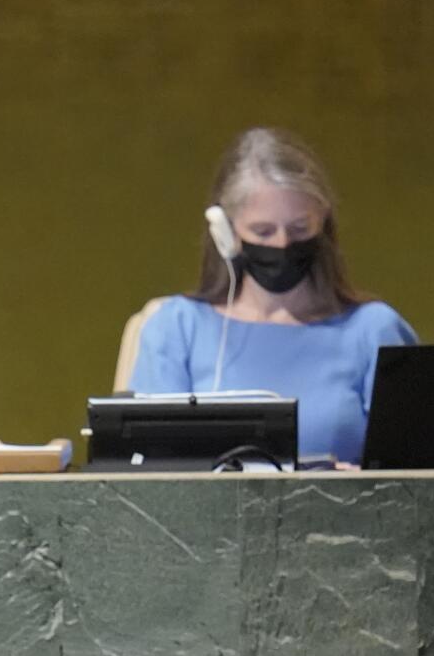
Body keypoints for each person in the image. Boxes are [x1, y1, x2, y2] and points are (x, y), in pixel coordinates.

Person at [128, 127, 417, 466]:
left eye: (299, 229)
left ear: (322, 223)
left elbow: (414, 474)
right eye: (263, 231)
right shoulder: (176, 328)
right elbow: (150, 473)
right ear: (227, 231)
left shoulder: (375, 330)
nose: (282, 245)